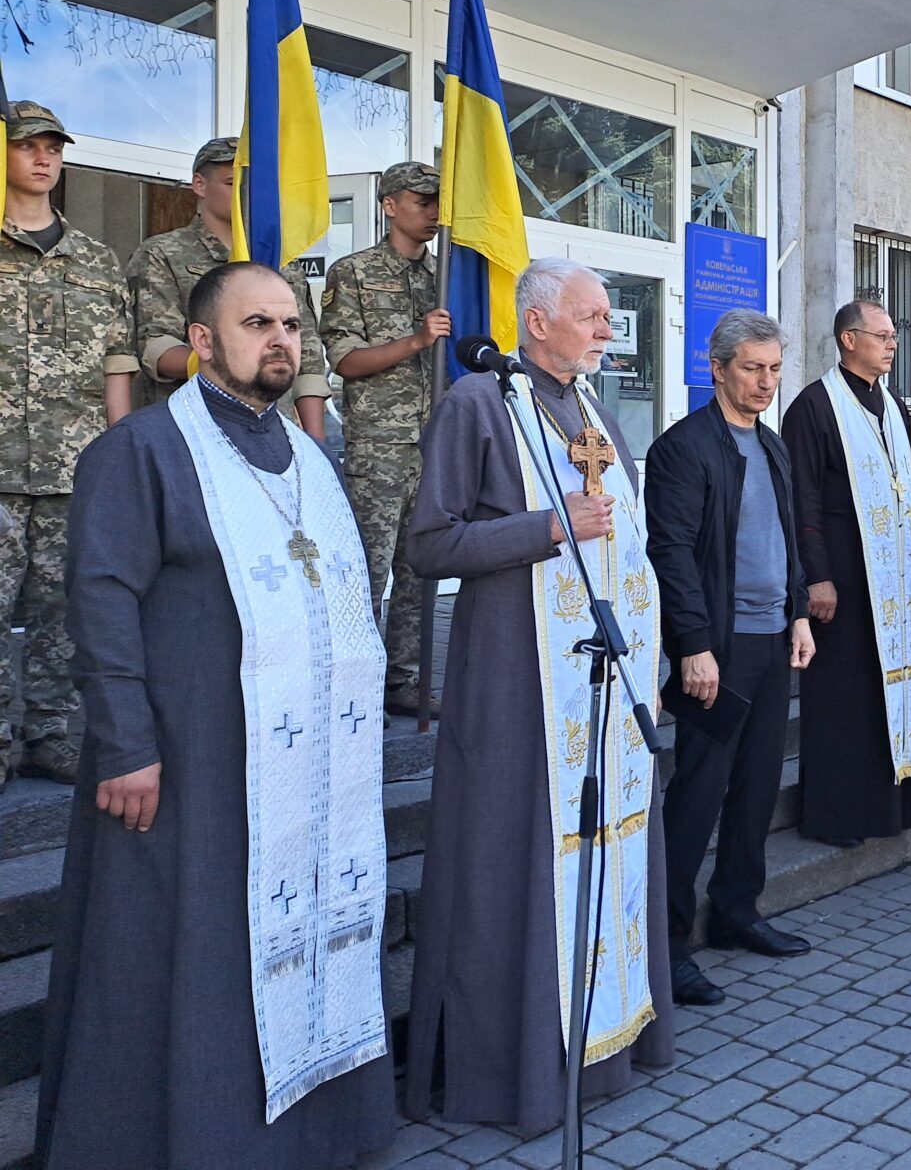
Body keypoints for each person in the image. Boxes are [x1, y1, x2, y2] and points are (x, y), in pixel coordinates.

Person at [38, 261, 392, 1169]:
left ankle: (309, 1140)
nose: (281, 340)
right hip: (184, 761)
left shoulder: (309, 458)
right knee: (184, 959)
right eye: (257, 323)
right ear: (201, 341)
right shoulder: (142, 450)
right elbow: (101, 600)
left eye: (291, 325)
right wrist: (125, 746)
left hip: (299, 769)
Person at [404, 258, 673, 1131]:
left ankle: (604, 1042)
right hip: (517, 680)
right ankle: (513, 1068)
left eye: (607, 317)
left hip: (597, 682)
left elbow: (628, 546)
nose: (607, 330)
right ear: (537, 320)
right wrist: (549, 527)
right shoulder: (477, 404)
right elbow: (430, 546)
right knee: (514, 860)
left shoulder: (594, 411)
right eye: (593, 315)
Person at [645, 310, 816, 1008]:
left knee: (755, 787)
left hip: (773, 639)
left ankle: (738, 911)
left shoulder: (772, 445)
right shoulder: (683, 448)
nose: (766, 382)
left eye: (774, 369)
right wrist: (693, 646)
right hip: (718, 646)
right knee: (698, 794)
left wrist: (798, 612)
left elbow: (788, 539)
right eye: (752, 368)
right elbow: (672, 555)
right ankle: (667, 943)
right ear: (717, 369)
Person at [0, 102, 135, 791]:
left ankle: (50, 734)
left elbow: (117, 366)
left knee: (63, 610)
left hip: (72, 467)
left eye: (53, 147)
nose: (44, 158)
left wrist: (117, 458)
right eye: (28, 145)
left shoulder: (96, 261)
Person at [784, 301, 911, 844]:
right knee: (843, 698)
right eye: (882, 335)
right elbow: (801, 498)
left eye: (893, 336)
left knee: (887, 691)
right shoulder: (813, 406)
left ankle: (890, 809)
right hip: (843, 576)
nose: (893, 344)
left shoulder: (890, 403)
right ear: (848, 339)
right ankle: (838, 816)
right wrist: (816, 576)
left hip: (894, 580)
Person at [320, 161, 447, 718]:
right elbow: (345, 361)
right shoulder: (354, 272)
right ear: (390, 205)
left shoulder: (448, 276)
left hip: (433, 443)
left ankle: (405, 681)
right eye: (422, 201)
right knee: (367, 572)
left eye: (438, 202)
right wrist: (416, 341)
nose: (434, 213)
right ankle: (356, 683)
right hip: (379, 447)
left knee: (421, 570)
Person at [125, 136, 331, 434]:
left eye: (253, 184)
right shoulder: (163, 253)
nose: (244, 193)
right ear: (200, 185)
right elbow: (155, 348)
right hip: (197, 424)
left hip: (275, 426)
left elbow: (307, 356)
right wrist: (237, 364)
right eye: (232, 183)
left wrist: (314, 439)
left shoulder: (280, 260)